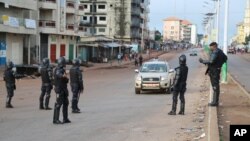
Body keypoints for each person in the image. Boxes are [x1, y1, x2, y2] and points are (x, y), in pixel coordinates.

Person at [199, 42, 227, 107]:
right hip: (216, 69)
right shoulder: (220, 51)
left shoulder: (215, 51)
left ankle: (215, 102)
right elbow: (225, 58)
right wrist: (219, 65)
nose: (210, 48)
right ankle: (215, 101)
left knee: (215, 86)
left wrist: (203, 61)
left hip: (214, 71)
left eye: (211, 47)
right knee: (215, 86)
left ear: (214, 46)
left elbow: (211, 61)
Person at [53, 57, 71, 124]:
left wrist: (65, 77)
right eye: (64, 63)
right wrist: (63, 76)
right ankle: (56, 119)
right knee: (58, 104)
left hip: (63, 89)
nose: (65, 64)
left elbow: (66, 80)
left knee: (66, 103)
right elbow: (59, 75)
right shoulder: (57, 69)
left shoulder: (62, 70)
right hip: (59, 89)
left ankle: (65, 118)